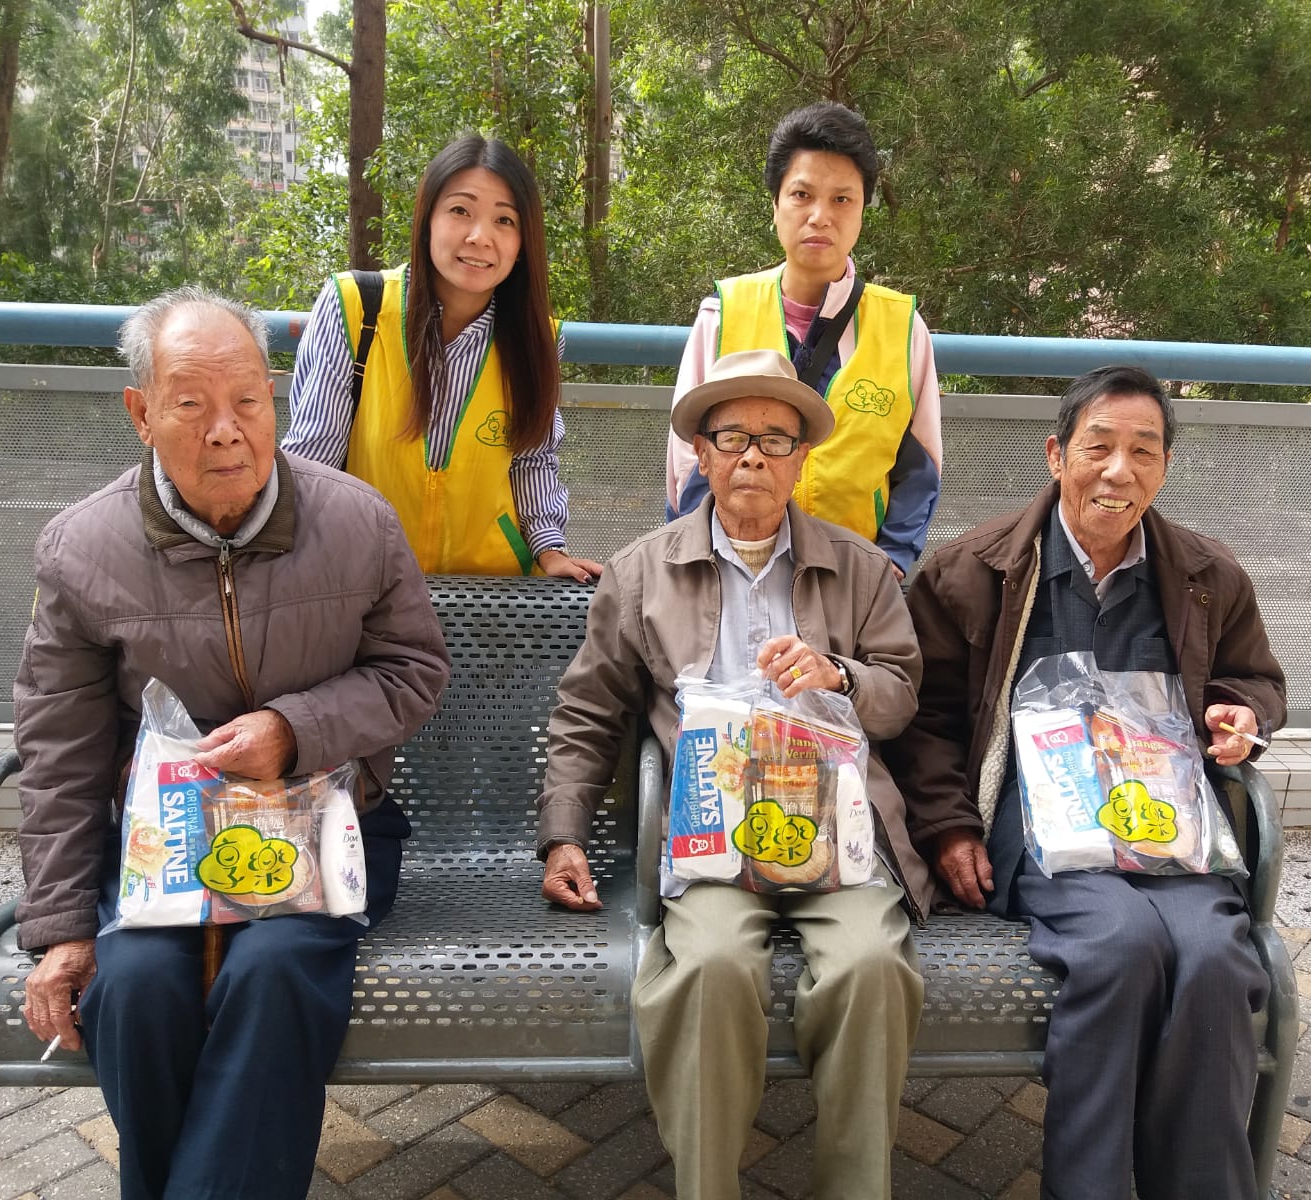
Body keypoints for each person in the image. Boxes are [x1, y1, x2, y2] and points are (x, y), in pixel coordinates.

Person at [14, 288, 451, 1200]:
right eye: (190, 403)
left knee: (276, 970)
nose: (226, 430)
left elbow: (413, 671)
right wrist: (61, 927)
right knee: (134, 989)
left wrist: (295, 731)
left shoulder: (357, 522)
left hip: (326, 829)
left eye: (247, 400)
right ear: (141, 414)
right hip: (163, 847)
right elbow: (60, 749)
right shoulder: (82, 549)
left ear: (273, 399)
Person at [539, 349, 931, 1200]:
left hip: (834, 840)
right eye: (732, 437)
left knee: (870, 966)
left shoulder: (861, 568)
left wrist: (839, 675)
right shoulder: (642, 571)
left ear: (800, 459)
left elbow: (900, 697)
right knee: (710, 967)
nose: (752, 456)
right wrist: (563, 834)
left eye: (775, 439)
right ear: (702, 452)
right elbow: (588, 710)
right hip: (711, 843)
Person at [888, 365, 1286, 1200]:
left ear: (1164, 466)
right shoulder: (971, 570)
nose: (1118, 470)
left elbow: (1254, 678)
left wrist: (1239, 714)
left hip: (1165, 823)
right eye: (1098, 446)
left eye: (1143, 451)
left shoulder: (1206, 575)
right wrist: (949, 826)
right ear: (1055, 454)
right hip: (1038, 825)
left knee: (1214, 956)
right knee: (1118, 944)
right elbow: (922, 722)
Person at [285, 132, 600, 581]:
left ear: (523, 243)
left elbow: (532, 459)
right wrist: (294, 561)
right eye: (460, 211)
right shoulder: (356, 309)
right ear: (427, 219)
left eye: (504, 220)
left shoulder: (536, 339)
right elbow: (313, 461)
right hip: (369, 581)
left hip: (493, 592)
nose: (480, 237)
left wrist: (550, 549)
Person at [666, 102, 943, 578]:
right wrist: (700, 562)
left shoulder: (903, 327)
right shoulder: (722, 314)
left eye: (842, 199)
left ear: (862, 211)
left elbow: (920, 466)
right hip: (732, 571)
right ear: (775, 205)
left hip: (854, 577)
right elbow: (687, 459)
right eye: (801, 194)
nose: (820, 216)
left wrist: (892, 559)